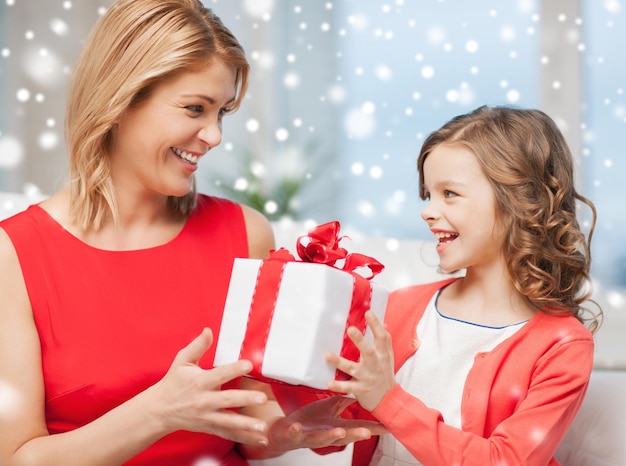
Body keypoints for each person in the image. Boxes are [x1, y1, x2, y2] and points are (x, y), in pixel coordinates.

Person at [0, 0, 381, 464]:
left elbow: (243, 424)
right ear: (119, 101)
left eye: (221, 113)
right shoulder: (15, 255)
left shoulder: (245, 234)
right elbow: (17, 457)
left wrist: (282, 432)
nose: (214, 136)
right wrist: (157, 413)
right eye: (194, 108)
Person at [323, 105, 602, 465]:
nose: (427, 210)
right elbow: (351, 426)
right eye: (428, 195)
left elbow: (506, 460)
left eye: (449, 193)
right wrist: (317, 418)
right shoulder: (399, 307)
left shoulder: (563, 347)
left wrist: (387, 399)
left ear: (520, 200)